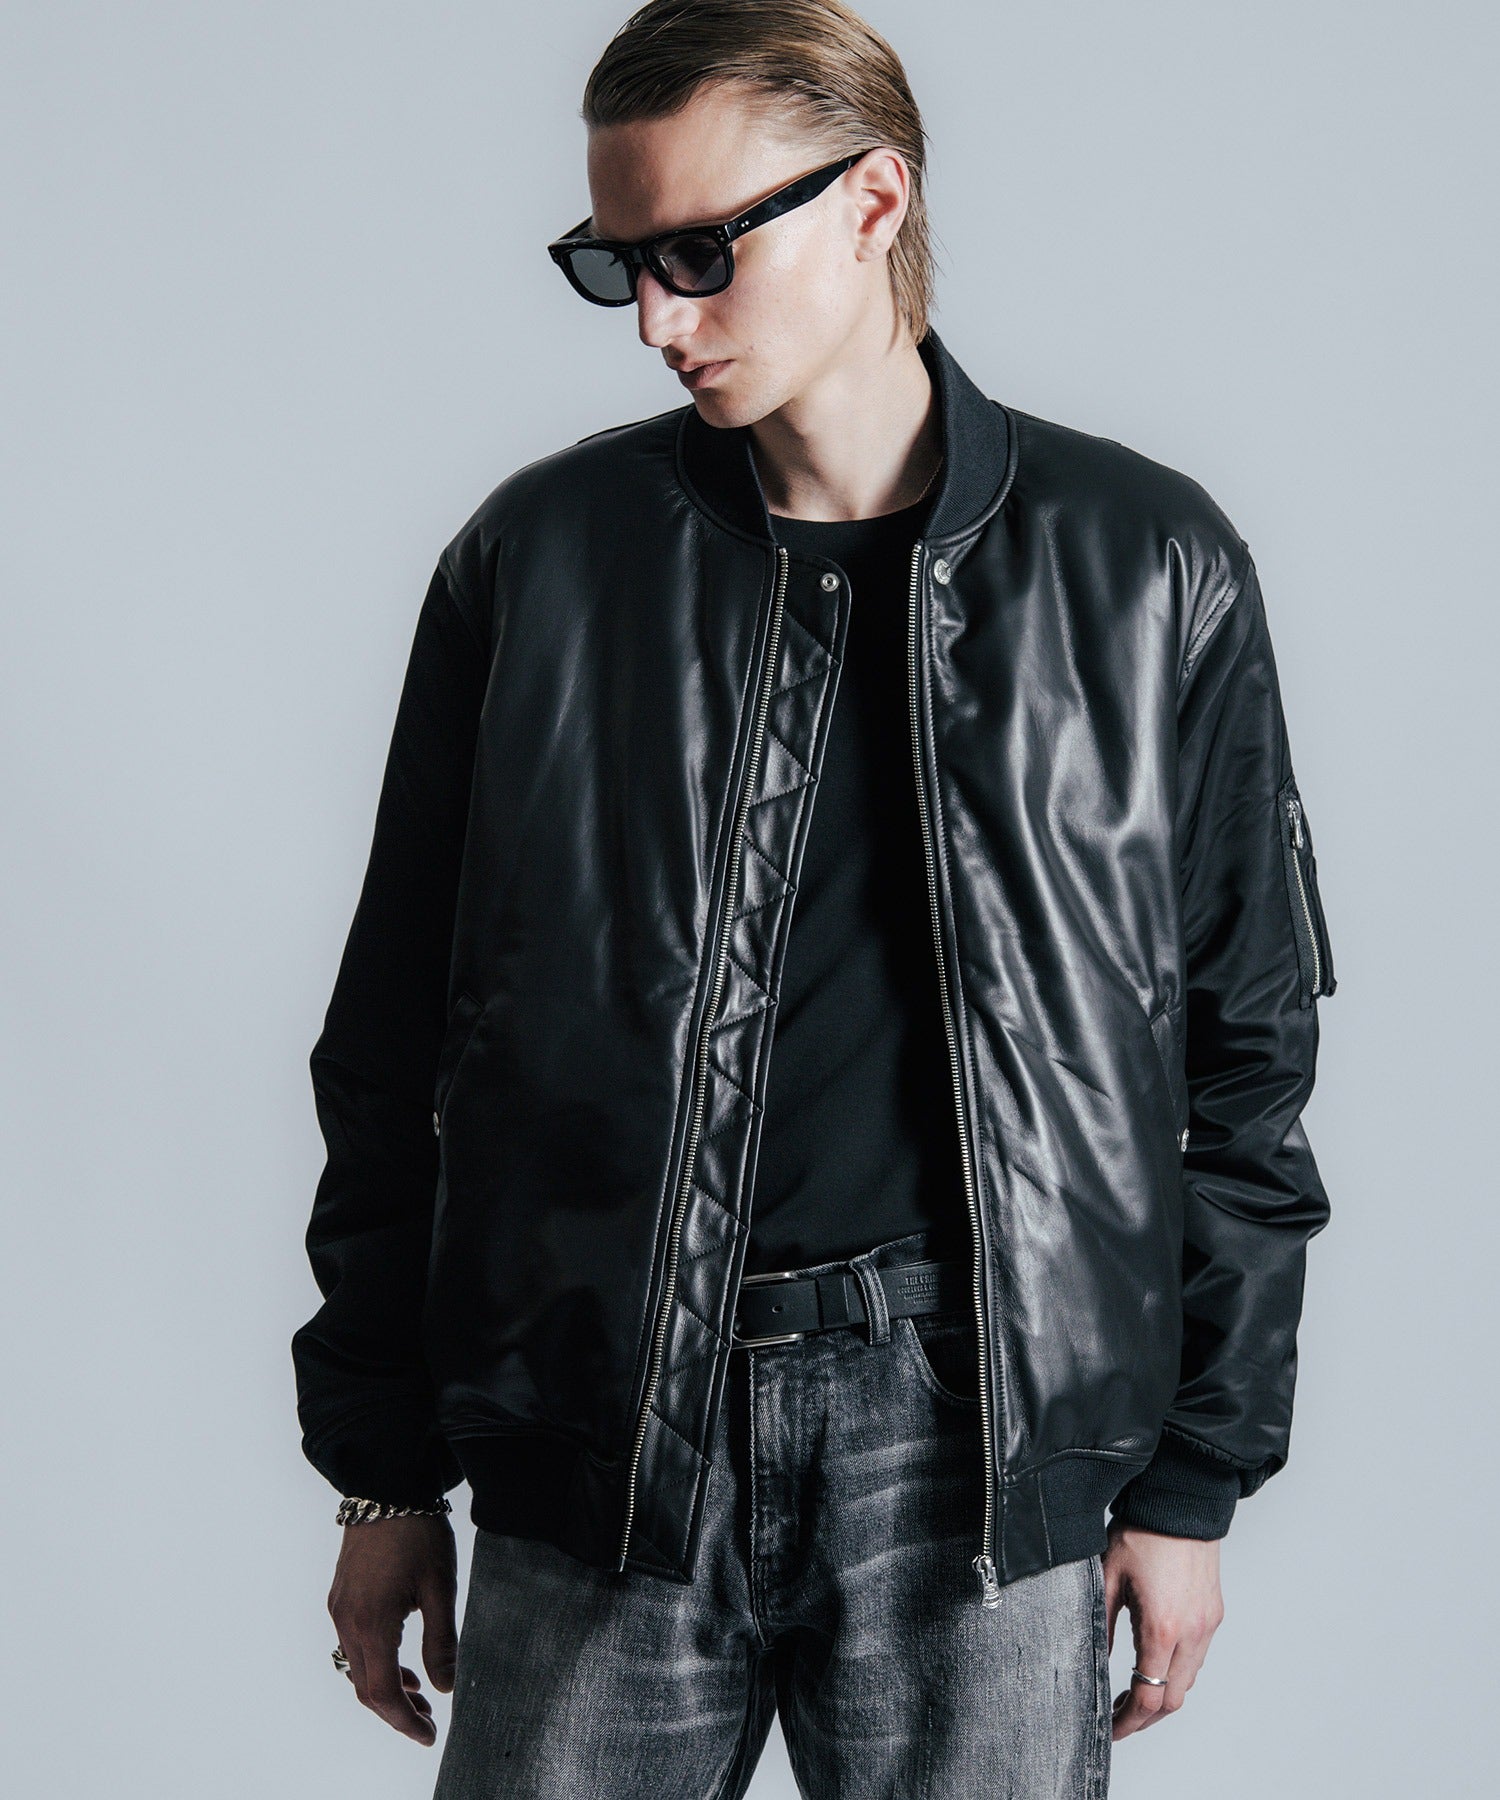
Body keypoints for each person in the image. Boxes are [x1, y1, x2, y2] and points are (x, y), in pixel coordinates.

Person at [290, 3, 1337, 1794]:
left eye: (699, 253)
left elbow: (1245, 1066)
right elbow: (394, 1050)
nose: (655, 318)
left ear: (875, 198)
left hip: (979, 1445)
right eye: (616, 264)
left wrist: (1192, 1481)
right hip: (603, 1436)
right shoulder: (539, 566)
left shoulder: (1150, 565)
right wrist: (384, 1472)